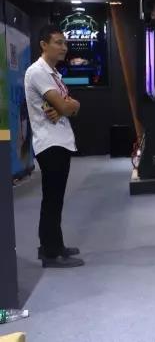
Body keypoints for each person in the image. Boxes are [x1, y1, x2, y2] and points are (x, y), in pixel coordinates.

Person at [24, 24, 83, 268]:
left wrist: (69, 106)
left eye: (65, 43)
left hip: (60, 141)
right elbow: (64, 106)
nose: (64, 47)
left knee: (55, 200)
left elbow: (71, 106)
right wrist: (67, 106)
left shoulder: (53, 74)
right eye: (58, 42)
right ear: (43, 45)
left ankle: (54, 245)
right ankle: (50, 253)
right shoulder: (37, 72)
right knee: (52, 200)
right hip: (50, 143)